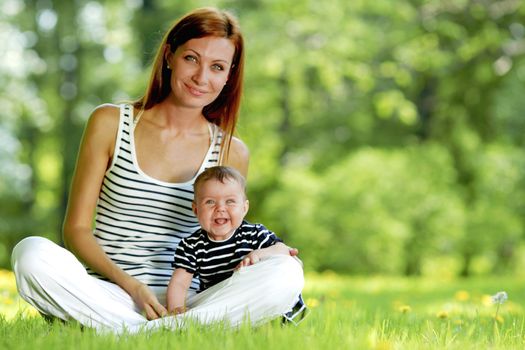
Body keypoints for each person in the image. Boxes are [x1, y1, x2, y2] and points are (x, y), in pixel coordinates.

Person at [10, 7, 303, 334]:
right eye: (191, 58)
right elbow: (76, 229)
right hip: (110, 292)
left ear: (229, 76)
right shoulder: (110, 123)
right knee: (31, 253)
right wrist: (133, 287)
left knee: (288, 271)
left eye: (217, 67)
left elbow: (226, 239)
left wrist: (269, 259)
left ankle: (133, 332)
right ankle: (160, 332)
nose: (201, 77)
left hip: (191, 303)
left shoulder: (231, 151)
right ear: (169, 56)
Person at [166, 166, 306, 324]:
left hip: (254, 294)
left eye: (230, 201)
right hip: (220, 300)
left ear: (244, 208)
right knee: (203, 309)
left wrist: (257, 254)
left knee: (284, 267)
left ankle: (268, 321)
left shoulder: (253, 234)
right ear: (196, 210)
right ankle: (197, 323)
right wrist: (176, 309)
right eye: (210, 202)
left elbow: (282, 250)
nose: (220, 208)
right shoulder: (191, 245)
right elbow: (179, 282)